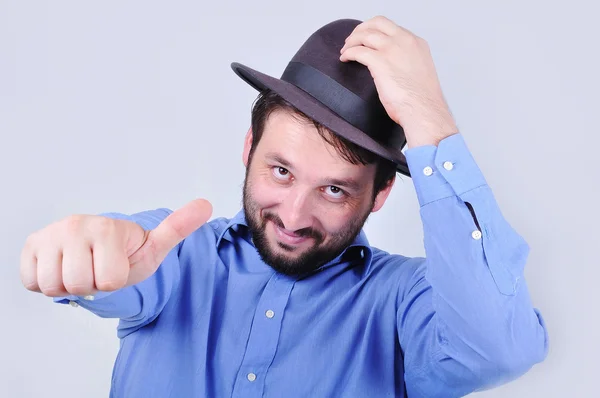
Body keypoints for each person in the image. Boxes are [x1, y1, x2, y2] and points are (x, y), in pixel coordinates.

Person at [20, 16, 548, 398]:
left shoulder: (405, 303)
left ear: (380, 194)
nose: (295, 216)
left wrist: (429, 118)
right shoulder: (172, 253)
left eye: (335, 190)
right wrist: (82, 256)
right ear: (249, 149)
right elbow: (114, 259)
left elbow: (497, 349)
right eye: (281, 171)